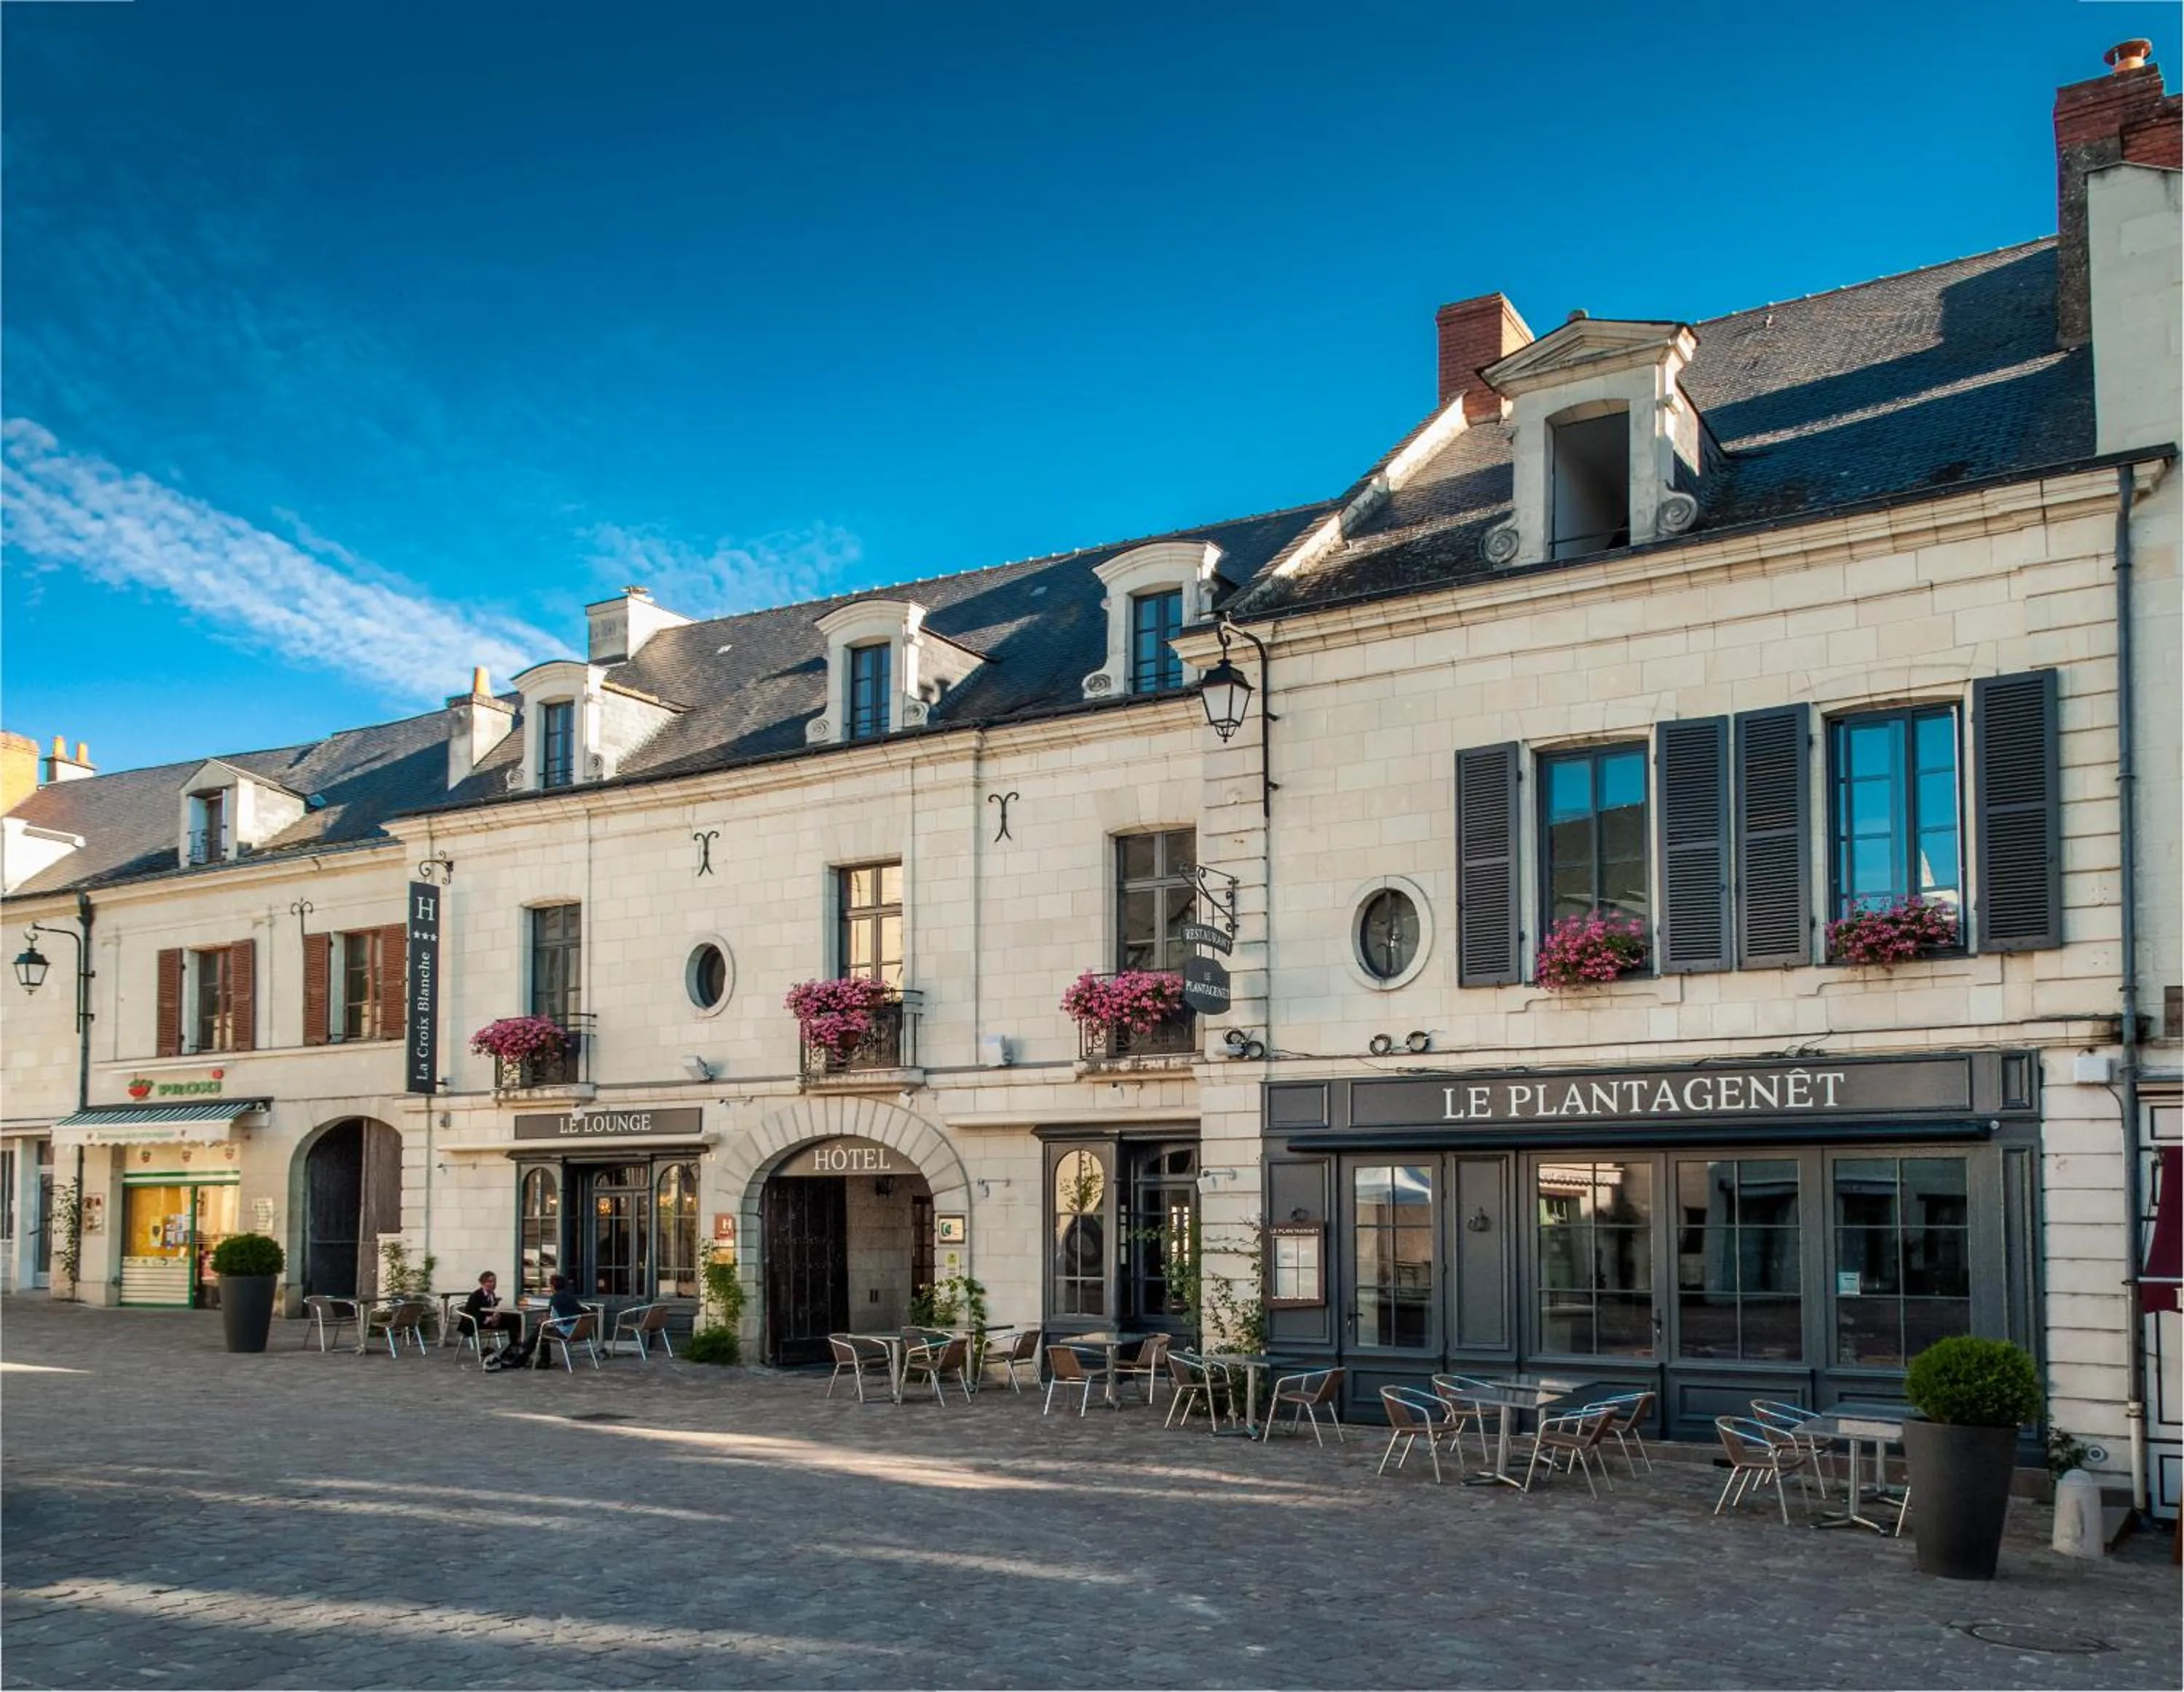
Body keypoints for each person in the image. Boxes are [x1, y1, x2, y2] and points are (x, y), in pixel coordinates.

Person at [462, 1272, 518, 1361]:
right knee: (511, 1320)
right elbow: (472, 1313)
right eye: (490, 1281)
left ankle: (515, 1345)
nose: (493, 1284)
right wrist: (488, 1319)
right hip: (476, 1323)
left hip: (489, 1321)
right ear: (483, 1283)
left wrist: (496, 1316)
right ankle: (514, 1346)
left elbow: (491, 1309)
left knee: (515, 1318)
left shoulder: (491, 1294)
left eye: (494, 1281)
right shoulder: (476, 1296)